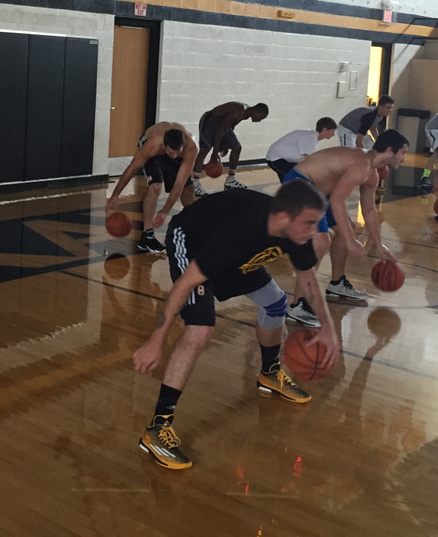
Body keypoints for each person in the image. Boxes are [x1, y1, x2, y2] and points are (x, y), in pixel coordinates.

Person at [132, 180, 338, 470]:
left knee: (276, 304)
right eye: (309, 223)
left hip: (237, 259)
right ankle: (157, 428)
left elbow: (308, 278)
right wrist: (156, 340)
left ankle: (270, 373)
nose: (315, 230)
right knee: (201, 329)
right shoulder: (237, 233)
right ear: (283, 219)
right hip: (194, 243)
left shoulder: (295, 234)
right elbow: (182, 286)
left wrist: (328, 328)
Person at [281, 129, 407, 317]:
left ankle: (337, 283)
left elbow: (370, 210)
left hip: (320, 191)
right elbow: (337, 201)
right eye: (403, 153)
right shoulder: (361, 164)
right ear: (389, 150)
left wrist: (379, 245)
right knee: (322, 241)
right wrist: (350, 241)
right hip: (300, 185)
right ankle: (299, 305)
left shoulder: (372, 174)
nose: (404, 158)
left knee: (349, 228)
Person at [106, 123, 198, 254]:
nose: (174, 156)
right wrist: (115, 194)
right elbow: (131, 168)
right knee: (155, 187)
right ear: (164, 146)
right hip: (151, 144)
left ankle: (194, 228)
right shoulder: (153, 145)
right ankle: (147, 236)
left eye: (178, 152)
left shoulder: (191, 148)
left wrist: (165, 210)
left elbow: (179, 184)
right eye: (171, 152)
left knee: (189, 189)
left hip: (174, 148)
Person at [190, 102, 269, 196]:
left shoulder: (245, 115)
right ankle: (194, 183)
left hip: (222, 126)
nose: (259, 120)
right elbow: (220, 130)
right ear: (256, 111)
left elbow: (230, 127)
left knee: (236, 147)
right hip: (210, 121)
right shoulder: (239, 111)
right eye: (261, 117)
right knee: (204, 150)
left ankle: (231, 179)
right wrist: (215, 153)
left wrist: (226, 143)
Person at [265, 118, 337, 182]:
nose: (333, 134)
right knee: (290, 179)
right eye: (332, 131)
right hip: (275, 159)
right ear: (324, 130)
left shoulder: (311, 136)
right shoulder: (311, 138)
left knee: (294, 179)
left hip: (286, 159)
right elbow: (309, 161)